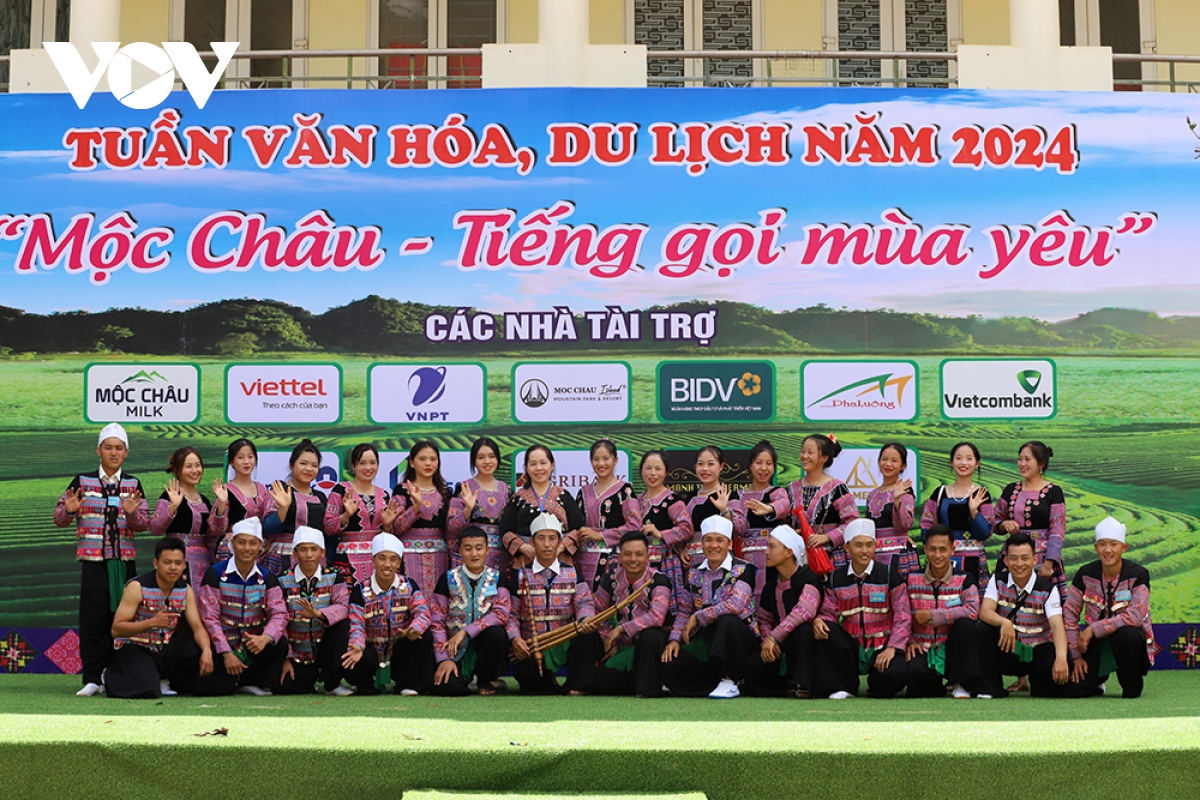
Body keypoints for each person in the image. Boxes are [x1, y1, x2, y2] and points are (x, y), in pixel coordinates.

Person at [54, 423, 150, 697]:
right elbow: (59, 518)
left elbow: (143, 524)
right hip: (94, 562)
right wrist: (69, 511)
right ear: (99, 450)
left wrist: (131, 514)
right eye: (108, 447)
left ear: (126, 452)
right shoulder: (82, 481)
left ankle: (116, 675)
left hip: (124, 562)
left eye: (119, 448)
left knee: (123, 618)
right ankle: (92, 677)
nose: (113, 453)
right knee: (93, 619)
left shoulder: (133, 484)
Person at [660, 516, 758, 699]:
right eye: (708, 540)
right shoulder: (694, 573)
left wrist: (698, 617)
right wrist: (674, 640)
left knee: (727, 621)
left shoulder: (744, 570)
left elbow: (735, 605)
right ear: (702, 544)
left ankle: (730, 680)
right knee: (670, 663)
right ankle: (712, 683)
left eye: (720, 540)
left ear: (729, 544)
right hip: (707, 638)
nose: (714, 545)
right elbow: (685, 610)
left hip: (738, 638)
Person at [964, 532, 1072, 698]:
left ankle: (1039, 685)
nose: (1019, 564)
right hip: (1007, 649)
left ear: (1034, 560)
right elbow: (985, 612)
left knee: (1049, 684)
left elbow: (1057, 626)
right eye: (1013, 558)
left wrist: (1061, 658)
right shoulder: (997, 580)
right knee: (982, 631)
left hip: (1036, 653)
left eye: (1025, 558)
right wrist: (1004, 623)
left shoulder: (1048, 589)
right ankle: (989, 688)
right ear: (1006, 561)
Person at [812, 518, 910, 699]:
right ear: (847, 547)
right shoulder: (835, 578)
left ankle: (876, 684)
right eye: (858, 545)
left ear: (875, 546)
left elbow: (903, 615)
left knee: (896, 675)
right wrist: (820, 620)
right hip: (851, 645)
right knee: (826, 629)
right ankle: (845, 687)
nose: (864, 551)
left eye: (869, 545)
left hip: (883, 644)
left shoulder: (889, 575)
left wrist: (893, 647)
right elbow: (829, 612)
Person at [106, 536, 214, 699]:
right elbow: (116, 629)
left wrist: (206, 650)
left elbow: (197, 627)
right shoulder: (137, 587)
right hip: (137, 646)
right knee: (146, 689)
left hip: (167, 647)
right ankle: (109, 675)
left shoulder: (185, 589)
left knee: (214, 676)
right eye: (167, 562)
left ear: (184, 565)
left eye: (178, 563)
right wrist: (152, 623)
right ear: (156, 563)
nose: (173, 568)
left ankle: (167, 679)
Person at [193, 518, 289, 696]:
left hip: (252, 645)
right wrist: (226, 652)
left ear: (260, 546)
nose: (247, 548)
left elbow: (280, 614)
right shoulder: (215, 574)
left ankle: (252, 681)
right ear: (232, 544)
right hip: (221, 644)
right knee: (216, 688)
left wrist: (265, 638)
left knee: (278, 642)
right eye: (242, 542)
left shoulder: (267, 578)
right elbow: (210, 618)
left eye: (253, 543)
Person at [506, 513, 599, 695]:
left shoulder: (572, 573)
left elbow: (585, 603)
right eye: (541, 538)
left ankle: (576, 685)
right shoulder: (519, 576)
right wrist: (515, 638)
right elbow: (512, 614)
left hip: (565, 642)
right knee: (530, 681)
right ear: (532, 543)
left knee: (589, 633)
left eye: (552, 538)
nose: (547, 544)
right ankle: (547, 683)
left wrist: (585, 619)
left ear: (560, 542)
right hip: (533, 644)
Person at [574, 530, 674, 698]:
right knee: (587, 631)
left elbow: (657, 617)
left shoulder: (659, 580)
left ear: (648, 556)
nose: (633, 559)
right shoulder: (612, 578)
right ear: (619, 557)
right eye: (627, 554)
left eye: (639, 554)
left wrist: (620, 629)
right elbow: (598, 611)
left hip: (650, 647)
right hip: (622, 647)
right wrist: (609, 640)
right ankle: (582, 683)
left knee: (651, 635)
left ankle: (647, 688)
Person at [1064, 516, 1154, 698]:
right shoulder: (1085, 574)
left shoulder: (1138, 575)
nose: (1107, 550)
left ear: (1123, 547)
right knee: (1072, 689)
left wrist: (1093, 629)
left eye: (1114, 544)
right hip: (1094, 646)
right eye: (1102, 544)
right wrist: (1076, 656)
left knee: (1128, 634)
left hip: (1128, 644)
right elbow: (1069, 614)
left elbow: (1135, 616)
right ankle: (1096, 685)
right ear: (1096, 547)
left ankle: (1131, 689)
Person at [342, 533, 434, 696]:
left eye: (393, 559)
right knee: (350, 645)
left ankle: (408, 684)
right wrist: (358, 646)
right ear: (373, 560)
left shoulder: (409, 586)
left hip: (399, 650)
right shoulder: (360, 591)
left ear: (398, 563)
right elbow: (357, 625)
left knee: (424, 637)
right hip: (372, 649)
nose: (387, 564)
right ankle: (366, 685)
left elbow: (423, 613)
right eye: (382, 558)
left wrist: (414, 629)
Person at [430, 526, 513, 696]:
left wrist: (466, 632)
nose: (474, 553)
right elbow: (436, 621)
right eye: (468, 548)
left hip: (485, 647)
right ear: (460, 551)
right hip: (455, 651)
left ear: (487, 550)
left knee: (496, 633)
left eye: (479, 548)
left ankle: (486, 678)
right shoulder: (447, 579)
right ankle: (465, 679)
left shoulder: (498, 578)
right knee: (448, 688)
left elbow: (501, 614)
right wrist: (444, 659)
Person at [743, 526, 823, 699]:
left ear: (788, 552)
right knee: (751, 666)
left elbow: (804, 611)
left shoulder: (809, 578)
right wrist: (768, 640)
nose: (766, 552)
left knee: (803, 630)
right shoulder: (771, 585)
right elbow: (764, 620)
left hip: (805, 645)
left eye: (772, 547)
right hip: (780, 644)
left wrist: (774, 637)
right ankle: (784, 685)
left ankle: (803, 684)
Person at [904, 524, 980, 699]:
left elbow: (973, 611)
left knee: (966, 625)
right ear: (925, 549)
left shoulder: (964, 579)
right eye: (932, 549)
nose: (937, 555)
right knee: (916, 678)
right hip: (921, 646)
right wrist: (910, 640)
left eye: (943, 549)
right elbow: (901, 614)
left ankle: (960, 682)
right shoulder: (910, 579)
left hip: (952, 648)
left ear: (952, 550)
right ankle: (935, 685)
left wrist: (934, 616)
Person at [275, 526, 352, 696]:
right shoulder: (282, 580)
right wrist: (286, 657)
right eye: (303, 550)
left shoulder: (333, 576)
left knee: (343, 625)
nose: (309, 555)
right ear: (295, 553)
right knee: (285, 685)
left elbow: (343, 606)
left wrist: (318, 614)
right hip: (297, 652)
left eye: (314, 549)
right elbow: (278, 619)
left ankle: (332, 683)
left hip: (325, 648)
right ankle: (307, 681)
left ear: (322, 552)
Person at [994, 441, 1067, 600]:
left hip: (1042, 561)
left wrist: (1049, 564)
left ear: (1041, 463)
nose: (1022, 464)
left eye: (1027, 459)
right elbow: (996, 519)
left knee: (1043, 603)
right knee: (1008, 603)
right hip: (1013, 558)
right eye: (1020, 459)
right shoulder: (1010, 489)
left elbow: (1057, 529)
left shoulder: (1053, 492)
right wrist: (1004, 524)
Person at [149, 446, 228, 586]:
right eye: (189, 466)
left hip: (203, 563)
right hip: (176, 562)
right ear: (178, 470)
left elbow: (215, 532)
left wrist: (222, 504)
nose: (195, 470)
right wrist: (173, 506)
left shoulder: (204, 500)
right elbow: (155, 529)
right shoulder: (168, 496)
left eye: (198, 465)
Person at [919, 442, 995, 589]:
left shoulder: (981, 494)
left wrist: (974, 512)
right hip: (943, 559)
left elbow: (985, 533)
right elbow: (927, 524)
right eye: (959, 458)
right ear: (952, 462)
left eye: (969, 458)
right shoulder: (940, 493)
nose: (963, 463)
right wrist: (935, 550)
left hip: (974, 559)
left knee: (972, 597)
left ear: (977, 463)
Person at [387, 440, 455, 595]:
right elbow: (397, 527)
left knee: (438, 599)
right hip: (408, 556)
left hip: (440, 557)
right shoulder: (402, 490)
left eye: (433, 459)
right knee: (411, 598)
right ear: (411, 463)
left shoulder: (445, 492)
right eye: (422, 459)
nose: (428, 463)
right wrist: (416, 506)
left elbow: (450, 530)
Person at [500, 444, 585, 569]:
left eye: (543, 463)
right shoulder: (517, 499)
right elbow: (505, 531)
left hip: (560, 563)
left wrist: (560, 548)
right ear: (526, 468)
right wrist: (523, 547)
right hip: (526, 563)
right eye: (533, 464)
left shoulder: (564, 496)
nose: (539, 468)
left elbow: (579, 529)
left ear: (552, 465)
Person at [786, 434, 859, 571]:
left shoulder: (836, 488)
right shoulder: (791, 488)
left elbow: (852, 522)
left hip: (830, 559)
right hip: (799, 559)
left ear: (824, 458)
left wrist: (826, 537)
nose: (804, 456)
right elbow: (785, 521)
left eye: (810, 452)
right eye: (803, 451)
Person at [325, 443, 393, 587]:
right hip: (347, 559)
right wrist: (346, 516)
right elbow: (328, 527)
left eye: (372, 463)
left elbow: (389, 535)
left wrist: (387, 525)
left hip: (378, 560)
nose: (368, 467)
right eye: (362, 463)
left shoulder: (384, 494)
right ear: (353, 465)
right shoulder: (341, 490)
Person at [575, 438, 639, 587]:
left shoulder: (625, 491)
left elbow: (634, 526)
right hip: (583, 561)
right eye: (596, 459)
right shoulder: (583, 492)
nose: (601, 463)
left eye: (606, 458)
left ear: (615, 460)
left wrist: (600, 535)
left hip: (613, 560)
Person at [263, 439, 328, 577]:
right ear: (292, 465)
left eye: (314, 465)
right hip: (282, 557)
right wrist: (283, 509)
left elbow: (327, 532)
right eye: (303, 463)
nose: (309, 469)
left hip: (313, 559)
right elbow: (268, 528)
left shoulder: (320, 497)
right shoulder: (280, 490)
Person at [737, 440, 792, 597]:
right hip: (743, 558)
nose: (763, 468)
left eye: (769, 463)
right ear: (750, 465)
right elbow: (736, 526)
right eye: (759, 462)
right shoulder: (737, 496)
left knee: (770, 597)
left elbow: (785, 505)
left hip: (772, 559)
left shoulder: (776, 492)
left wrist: (768, 509)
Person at [447, 437, 510, 573]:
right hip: (472, 556)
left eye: (491, 456)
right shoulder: (464, 488)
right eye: (481, 457)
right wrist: (468, 509)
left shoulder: (507, 490)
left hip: (501, 558)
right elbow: (452, 528)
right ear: (474, 461)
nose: (487, 461)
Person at [633, 449, 693, 577]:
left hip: (665, 563)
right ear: (641, 471)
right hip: (639, 562)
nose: (653, 473)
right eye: (648, 468)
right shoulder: (636, 501)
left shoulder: (672, 500)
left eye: (658, 468)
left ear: (666, 472)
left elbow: (687, 529)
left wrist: (660, 534)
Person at [865, 442, 918, 576]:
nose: (888, 464)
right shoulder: (872, 494)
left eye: (894, 460)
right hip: (874, 556)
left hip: (898, 555)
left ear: (903, 466)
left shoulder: (905, 490)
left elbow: (905, 526)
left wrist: (897, 500)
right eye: (884, 459)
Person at [216, 437, 272, 561]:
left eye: (250, 457)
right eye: (240, 457)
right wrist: (222, 503)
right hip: (234, 549)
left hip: (259, 549)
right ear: (231, 461)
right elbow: (216, 529)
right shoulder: (226, 490)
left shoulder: (263, 489)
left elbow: (268, 522)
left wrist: (270, 539)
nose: (246, 462)